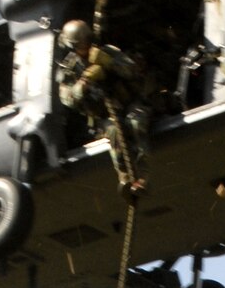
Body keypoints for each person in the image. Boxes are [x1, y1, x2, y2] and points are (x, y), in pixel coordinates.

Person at [56, 17, 153, 199]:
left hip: (130, 105)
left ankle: (143, 176)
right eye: (80, 44)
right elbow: (67, 99)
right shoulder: (69, 69)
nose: (85, 46)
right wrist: (85, 81)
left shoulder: (106, 52)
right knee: (114, 132)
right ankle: (125, 176)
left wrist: (109, 62)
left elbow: (132, 70)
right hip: (104, 117)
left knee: (136, 123)